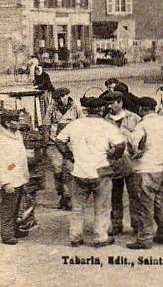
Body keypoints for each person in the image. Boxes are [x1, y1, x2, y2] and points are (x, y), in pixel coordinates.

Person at [56, 96, 126, 248]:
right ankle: (100, 237)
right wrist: (113, 157)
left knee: (78, 206)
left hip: (79, 170)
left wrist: (69, 155)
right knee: (102, 206)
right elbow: (120, 145)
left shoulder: (75, 124)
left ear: (86, 110)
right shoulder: (107, 126)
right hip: (101, 170)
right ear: (101, 109)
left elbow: (59, 140)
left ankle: (75, 236)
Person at [125, 96, 163, 249]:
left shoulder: (141, 125)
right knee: (160, 203)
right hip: (161, 167)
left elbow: (133, 144)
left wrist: (136, 152)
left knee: (144, 205)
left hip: (144, 169)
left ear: (141, 109)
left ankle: (144, 239)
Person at [102, 90, 141, 236]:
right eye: (107, 104)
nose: (109, 106)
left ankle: (137, 224)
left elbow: (143, 139)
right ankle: (116, 224)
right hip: (114, 163)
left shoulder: (134, 118)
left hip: (132, 163)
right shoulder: (104, 121)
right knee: (115, 195)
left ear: (120, 102)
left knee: (135, 195)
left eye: (112, 103)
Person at [43, 87, 81, 210]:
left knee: (69, 169)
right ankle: (61, 194)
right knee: (57, 168)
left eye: (64, 96)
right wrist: (46, 141)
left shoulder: (76, 108)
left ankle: (68, 197)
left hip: (71, 142)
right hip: (54, 142)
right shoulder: (51, 108)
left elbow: (82, 124)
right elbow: (46, 125)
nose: (62, 99)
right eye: (59, 97)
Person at [0, 110, 28, 245]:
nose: (19, 123)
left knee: (16, 206)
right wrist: (5, 182)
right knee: (7, 207)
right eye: (15, 121)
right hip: (9, 178)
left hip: (18, 176)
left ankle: (14, 229)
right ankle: (7, 234)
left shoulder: (17, 135)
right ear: (7, 123)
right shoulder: (2, 139)